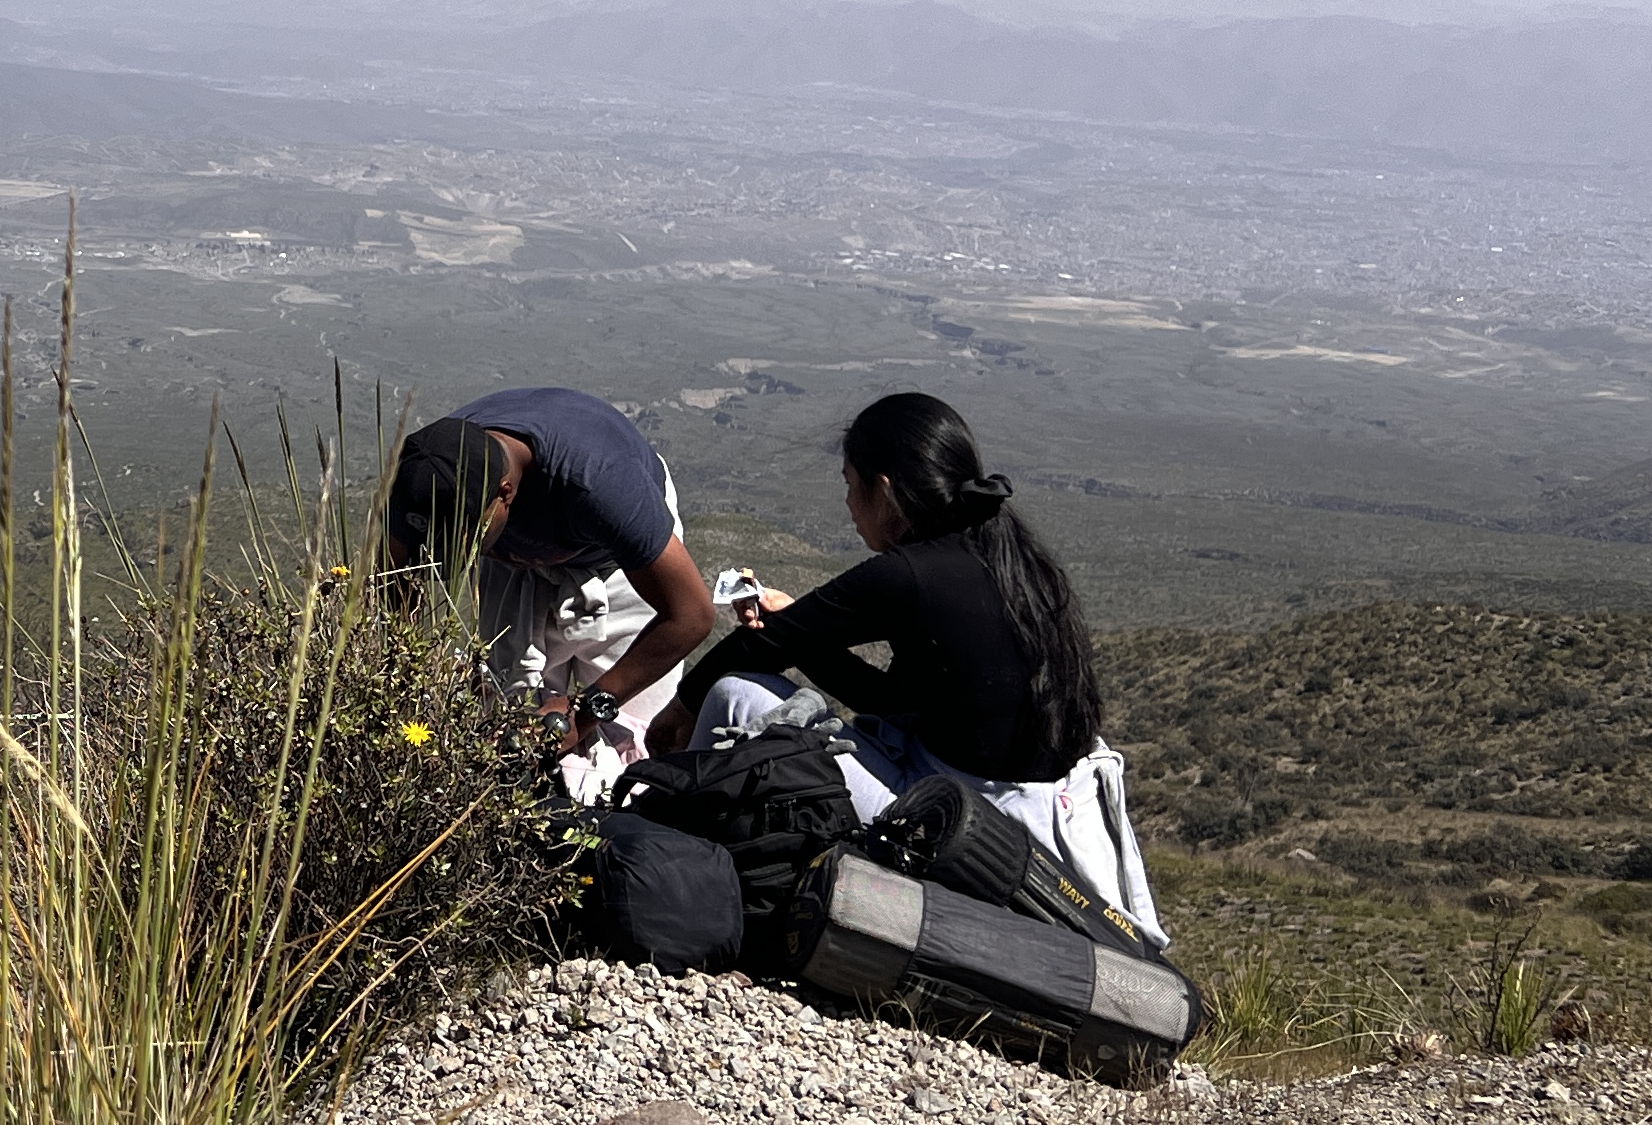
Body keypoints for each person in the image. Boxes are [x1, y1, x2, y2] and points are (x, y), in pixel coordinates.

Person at [684, 391, 1160, 932]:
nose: (847, 502)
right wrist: (799, 633)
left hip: (964, 829)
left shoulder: (909, 574)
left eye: (849, 483)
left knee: (734, 694)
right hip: (1050, 829)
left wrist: (678, 708)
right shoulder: (1014, 557)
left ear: (884, 492)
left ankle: (676, 862)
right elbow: (892, 702)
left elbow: (752, 651)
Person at [385, 386, 715, 788]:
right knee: (503, 718)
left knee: (641, 735)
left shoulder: (598, 482)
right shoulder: (428, 475)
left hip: (617, 564)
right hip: (521, 559)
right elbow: (395, 584)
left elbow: (692, 616)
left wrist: (581, 716)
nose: (452, 554)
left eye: (466, 539)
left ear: (504, 494)